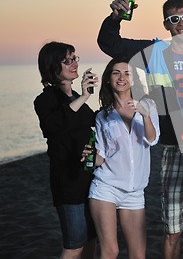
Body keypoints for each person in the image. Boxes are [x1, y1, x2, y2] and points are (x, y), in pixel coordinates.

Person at [97, 0, 183, 259]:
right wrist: (115, 17)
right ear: (166, 24)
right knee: (173, 230)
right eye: (174, 19)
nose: (181, 24)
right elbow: (110, 44)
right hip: (174, 148)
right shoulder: (154, 52)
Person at [83, 58, 160, 259]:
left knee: (138, 254)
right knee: (110, 251)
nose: (121, 77)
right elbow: (101, 156)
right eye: (116, 73)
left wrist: (144, 115)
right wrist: (90, 156)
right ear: (108, 79)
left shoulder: (148, 106)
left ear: (133, 80)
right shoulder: (103, 116)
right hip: (106, 187)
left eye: (127, 73)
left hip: (135, 192)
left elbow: (152, 139)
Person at [34, 41, 98, 259]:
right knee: (74, 245)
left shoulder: (78, 100)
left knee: (91, 239)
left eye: (74, 58)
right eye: (66, 60)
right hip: (68, 183)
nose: (73, 64)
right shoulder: (45, 99)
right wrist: (83, 97)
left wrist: (116, 94)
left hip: (90, 179)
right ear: (53, 67)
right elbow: (53, 126)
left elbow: (97, 120)